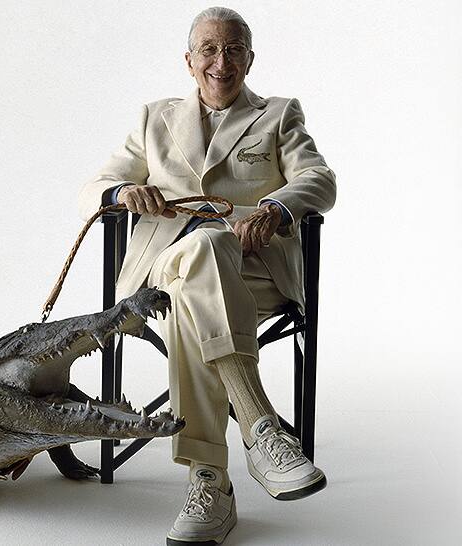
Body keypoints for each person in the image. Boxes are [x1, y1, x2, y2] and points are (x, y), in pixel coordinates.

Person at [78, 7, 336, 545]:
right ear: (189, 61)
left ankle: (209, 483)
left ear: (250, 59)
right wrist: (124, 191)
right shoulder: (154, 118)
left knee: (194, 295)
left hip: (251, 272)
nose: (222, 61)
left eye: (234, 49)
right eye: (210, 50)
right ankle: (259, 427)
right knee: (201, 249)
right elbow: (97, 185)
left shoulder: (278, 114)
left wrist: (276, 208)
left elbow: (319, 178)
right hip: (161, 269)